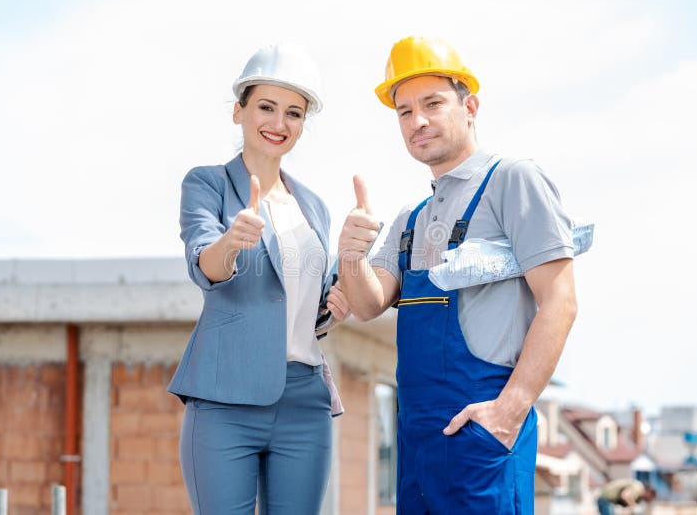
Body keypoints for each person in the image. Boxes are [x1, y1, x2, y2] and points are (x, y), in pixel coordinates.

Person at [337, 36, 578, 513]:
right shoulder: (412, 217)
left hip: (482, 434)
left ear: (470, 105)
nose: (417, 121)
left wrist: (510, 412)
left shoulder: (513, 180)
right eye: (404, 111)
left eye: (432, 103)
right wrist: (351, 253)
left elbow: (561, 301)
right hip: (418, 440)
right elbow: (367, 305)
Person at [167, 43, 349, 514]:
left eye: (294, 113)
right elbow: (204, 264)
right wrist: (231, 242)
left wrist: (333, 304)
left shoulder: (315, 206)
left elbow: (304, 304)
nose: (278, 123)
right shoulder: (206, 184)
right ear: (239, 112)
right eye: (266, 107)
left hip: (304, 401)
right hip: (225, 399)